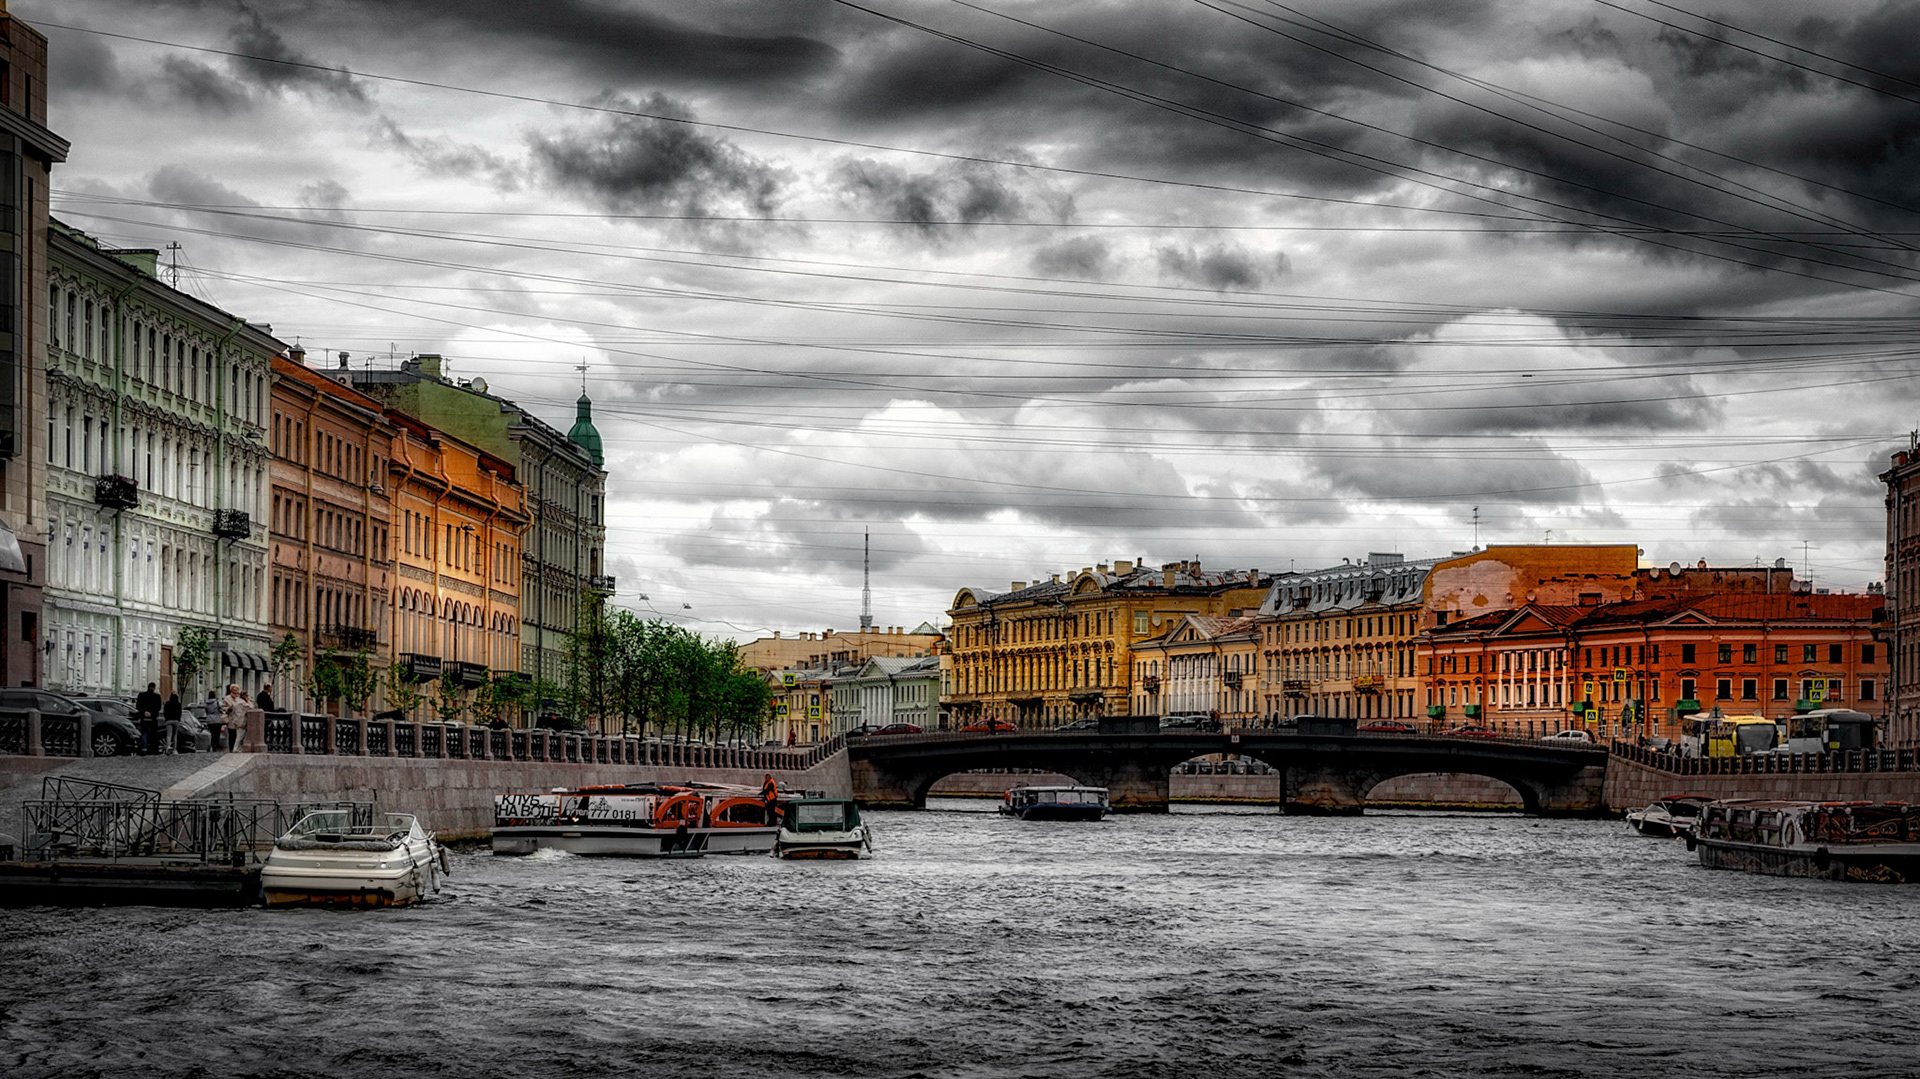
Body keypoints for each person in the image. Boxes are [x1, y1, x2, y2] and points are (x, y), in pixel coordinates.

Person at [219, 684, 249, 752]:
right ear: (231, 690)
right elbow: (223, 708)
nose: (235, 691)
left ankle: (238, 748)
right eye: (234, 690)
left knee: (239, 735)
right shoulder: (227, 698)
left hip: (239, 719)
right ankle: (231, 748)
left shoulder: (239, 698)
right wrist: (228, 708)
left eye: (237, 690)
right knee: (232, 734)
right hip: (231, 718)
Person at [135, 681, 162, 755]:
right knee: (153, 733)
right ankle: (153, 749)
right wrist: (152, 713)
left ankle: (144, 748)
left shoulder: (141, 695)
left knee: (144, 733)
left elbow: (138, 706)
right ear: (154, 688)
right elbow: (158, 707)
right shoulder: (157, 696)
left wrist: (144, 712)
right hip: (153, 718)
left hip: (144, 717)